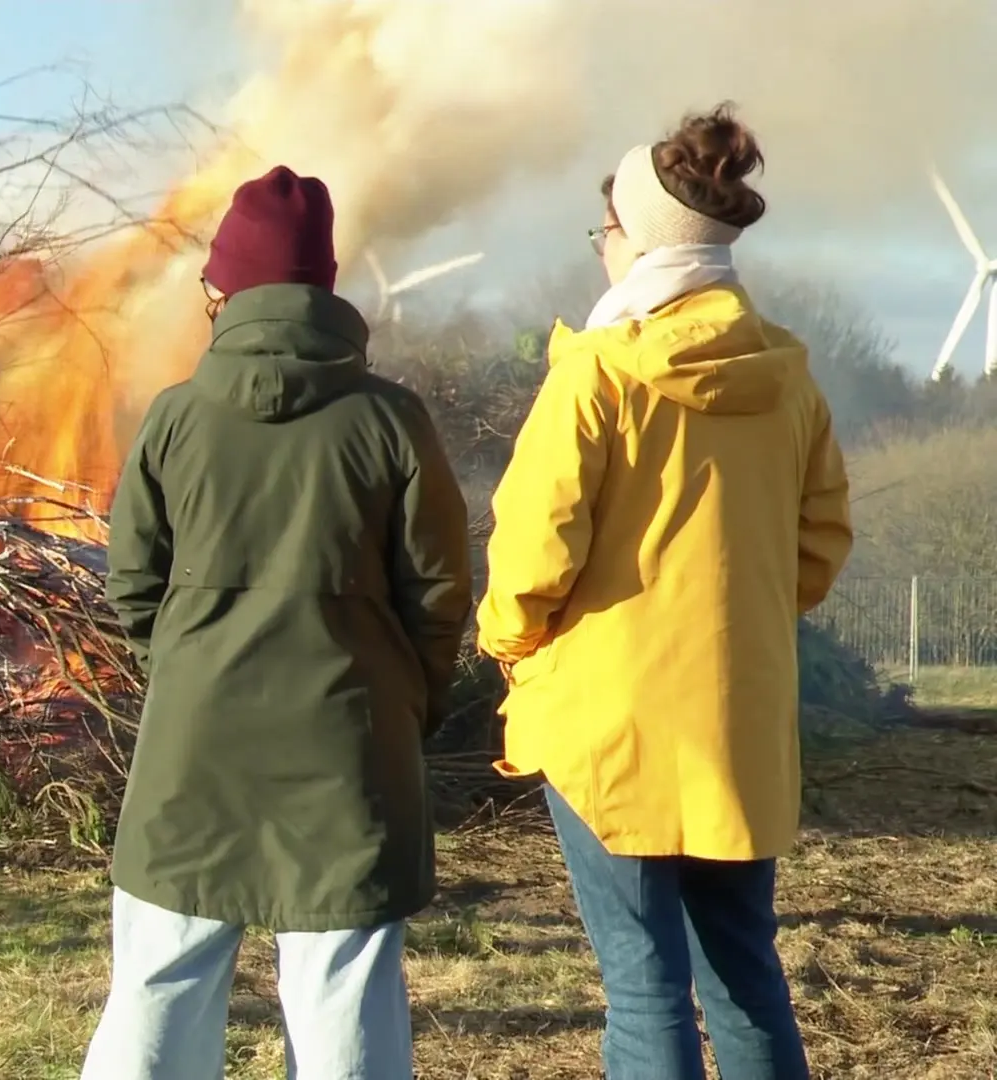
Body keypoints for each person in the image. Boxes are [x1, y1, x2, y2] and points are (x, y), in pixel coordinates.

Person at [476, 104, 853, 1080]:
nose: (600, 246)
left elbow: (531, 552)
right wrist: (747, 619)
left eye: (605, 228)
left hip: (612, 732)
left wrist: (512, 642)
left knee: (645, 988)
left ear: (637, 238)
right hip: (739, 726)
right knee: (746, 976)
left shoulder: (598, 374)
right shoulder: (792, 380)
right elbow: (821, 542)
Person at [81, 165, 474, 1080]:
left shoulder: (175, 419)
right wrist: (407, 701)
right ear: (325, 288)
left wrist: (183, 669)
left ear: (219, 294)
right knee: (342, 991)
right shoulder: (393, 422)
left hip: (195, 747)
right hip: (348, 745)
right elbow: (439, 590)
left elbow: (132, 582)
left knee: (161, 978)